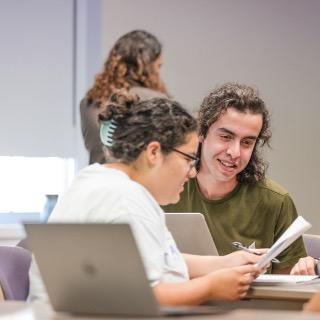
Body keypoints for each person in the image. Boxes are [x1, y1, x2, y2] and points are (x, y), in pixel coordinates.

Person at [29, 93, 264, 305]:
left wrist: (223, 264)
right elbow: (143, 297)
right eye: (188, 159)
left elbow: (156, 259)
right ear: (153, 153)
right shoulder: (127, 202)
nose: (192, 171)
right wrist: (210, 287)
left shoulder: (95, 179)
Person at [163, 82, 306, 274]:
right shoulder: (164, 190)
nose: (235, 152)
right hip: (174, 301)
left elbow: (289, 286)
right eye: (226, 137)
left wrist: (304, 270)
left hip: (248, 304)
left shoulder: (275, 201)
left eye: (247, 142)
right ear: (201, 134)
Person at [80, 30, 169, 164]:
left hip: (96, 179)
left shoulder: (88, 103)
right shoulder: (157, 101)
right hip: (135, 182)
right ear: (145, 66)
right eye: (158, 66)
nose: (158, 72)